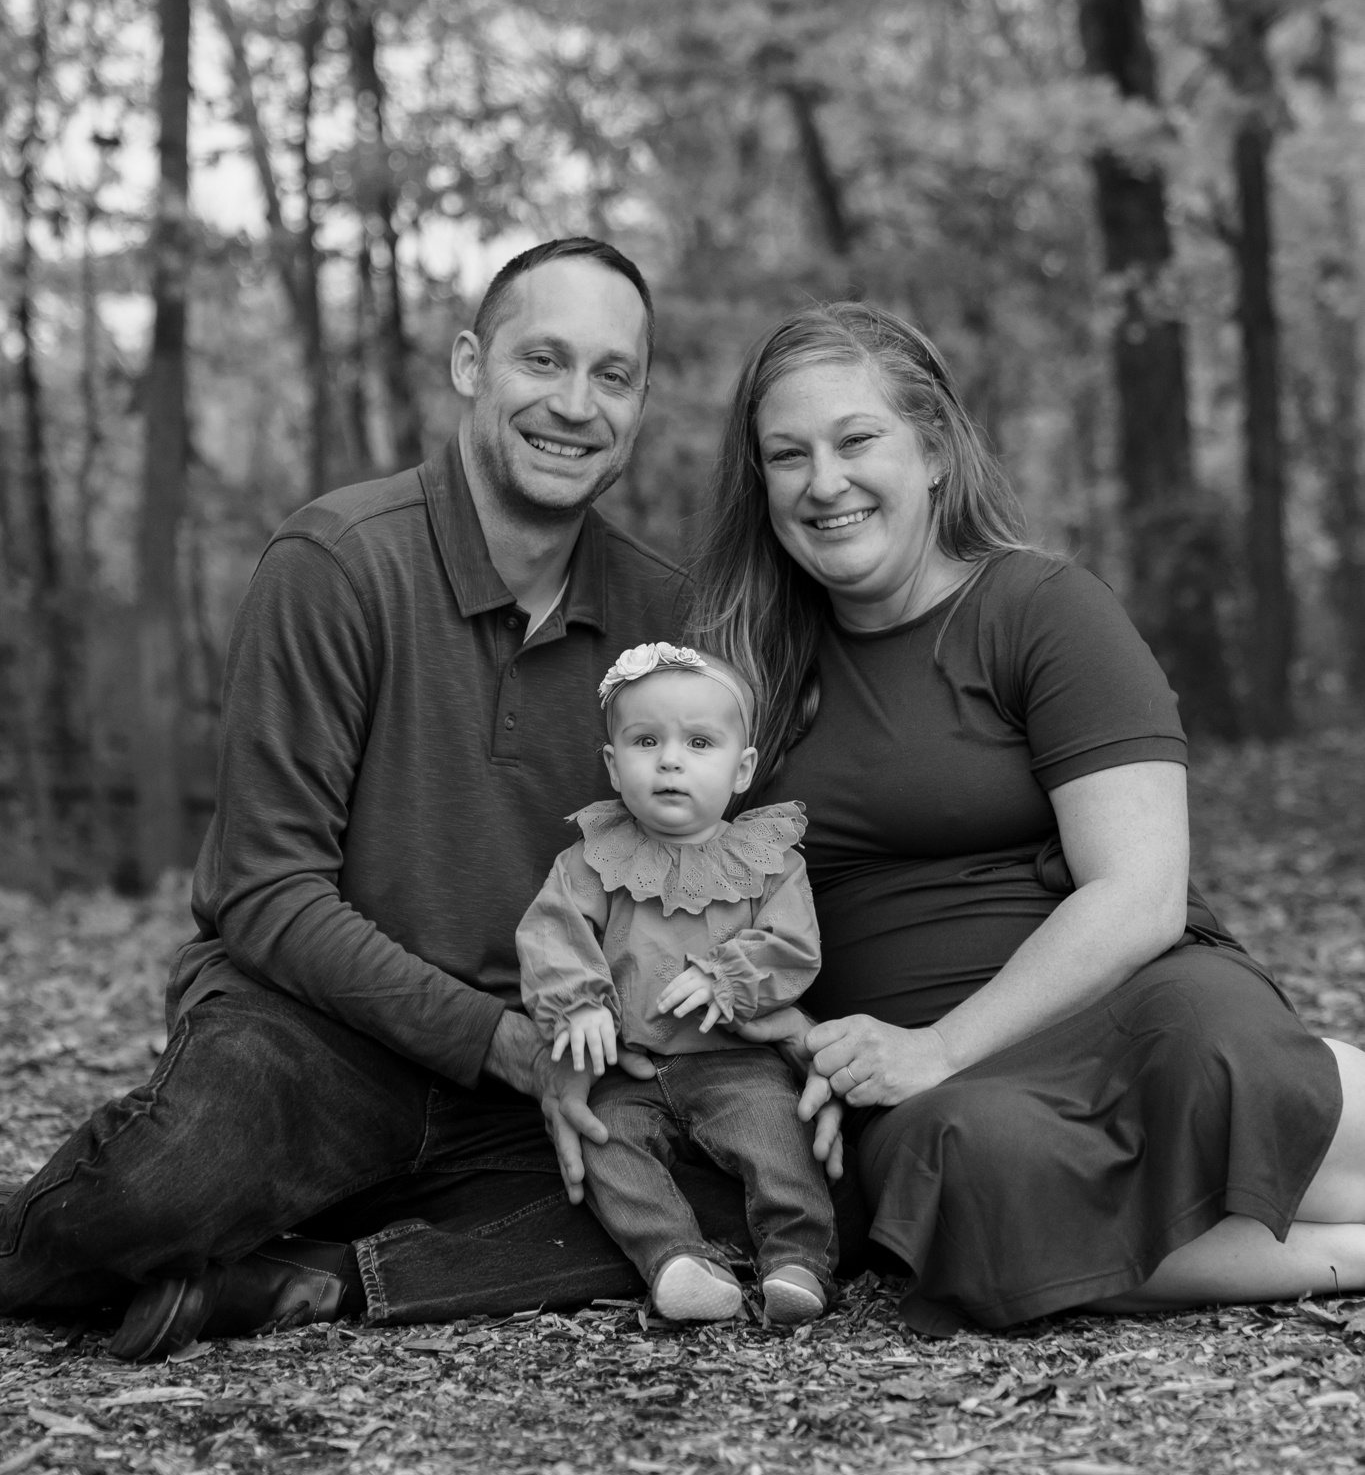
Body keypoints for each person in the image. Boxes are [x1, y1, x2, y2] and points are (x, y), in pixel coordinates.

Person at [0, 238, 860, 1361]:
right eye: (542, 360)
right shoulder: (338, 563)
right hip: (320, 1032)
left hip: (566, 1063)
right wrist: (506, 1042)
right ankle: (146, 1221)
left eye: (613, 375)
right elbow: (265, 891)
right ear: (469, 364)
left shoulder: (670, 623)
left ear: (643, 400)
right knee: (162, 1186)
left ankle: (305, 1276)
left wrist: (787, 1038)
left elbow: (727, 875)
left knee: (731, 1203)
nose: (574, 403)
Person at [689, 301, 1365, 1333]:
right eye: (788, 454)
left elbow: (1139, 891)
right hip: (926, 1082)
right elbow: (692, 907)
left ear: (934, 451)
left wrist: (944, 1045)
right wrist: (793, 1038)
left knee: (1218, 1059)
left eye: (856, 438)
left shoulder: (1041, 608)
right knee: (969, 1174)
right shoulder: (740, 672)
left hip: (1118, 997)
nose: (824, 482)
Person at [517, 640, 834, 1325]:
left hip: (735, 1061)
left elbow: (791, 945)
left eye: (697, 742)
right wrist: (575, 1008)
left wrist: (727, 977)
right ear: (612, 763)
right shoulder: (592, 859)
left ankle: (798, 1259)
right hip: (627, 1071)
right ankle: (675, 1260)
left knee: (779, 1134)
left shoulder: (767, 860)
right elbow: (552, 935)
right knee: (603, 1142)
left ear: (741, 767)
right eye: (644, 741)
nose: (669, 760)